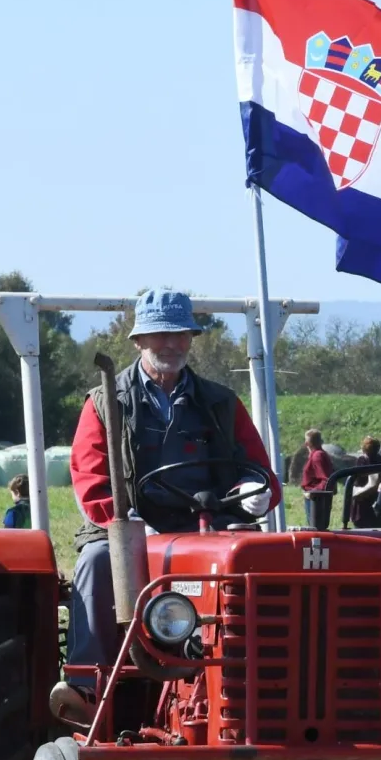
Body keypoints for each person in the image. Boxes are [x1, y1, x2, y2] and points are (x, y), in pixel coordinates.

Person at [51, 289, 282, 721]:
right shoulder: (105, 402)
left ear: (191, 340)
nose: (171, 345)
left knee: (265, 560)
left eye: (180, 335)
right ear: (139, 340)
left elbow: (257, 468)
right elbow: (90, 479)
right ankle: (85, 684)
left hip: (208, 524)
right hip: (129, 526)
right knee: (99, 560)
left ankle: (269, 677)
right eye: (160, 336)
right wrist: (134, 529)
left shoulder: (220, 402)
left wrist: (255, 490)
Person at [301, 429, 334, 527]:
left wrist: (312, 493)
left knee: (316, 529)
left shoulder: (317, 456)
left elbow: (326, 480)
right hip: (318, 498)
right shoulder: (319, 454)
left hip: (316, 500)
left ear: (307, 443)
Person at [351, 436, 381, 528]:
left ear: (363, 448)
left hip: (362, 500)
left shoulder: (362, 460)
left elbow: (356, 480)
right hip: (377, 501)